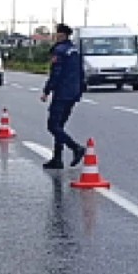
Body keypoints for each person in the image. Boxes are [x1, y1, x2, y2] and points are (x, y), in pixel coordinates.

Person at [41, 23, 87, 170]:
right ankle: (57, 159)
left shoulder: (59, 51)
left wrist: (47, 91)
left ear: (61, 35)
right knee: (59, 125)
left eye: (56, 33)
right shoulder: (75, 51)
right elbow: (81, 72)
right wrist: (79, 91)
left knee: (53, 125)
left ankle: (76, 148)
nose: (55, 35)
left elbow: (56, 73)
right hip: (73, 93)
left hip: (61, 93)